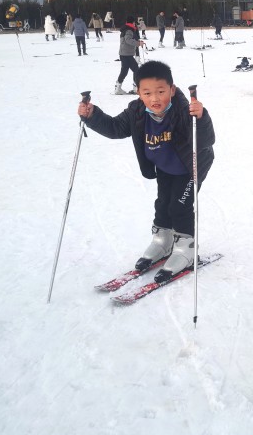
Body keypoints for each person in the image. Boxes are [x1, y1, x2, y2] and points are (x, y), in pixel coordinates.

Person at [78, 60, 216, 282]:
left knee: (179, 205)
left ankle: (185, 249)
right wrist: (92, 115)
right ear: (139, 93)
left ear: (171, 89)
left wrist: (200, 117)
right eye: (147, 92)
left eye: (161, 91)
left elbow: (207, 140)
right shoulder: (137, 111)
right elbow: (115, 128)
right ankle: (163, 241)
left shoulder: (184, 110)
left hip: (191, 166)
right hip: (164, 166)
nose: (155, 98)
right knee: (163, 203)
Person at [114, 16, 144, 94]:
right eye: (134, 23)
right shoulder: (129, 30)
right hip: (127, 54)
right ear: (133, 22)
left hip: (124, 53)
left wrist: (137, 41)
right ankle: (135, 87)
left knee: (124, 71)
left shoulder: (125, 29)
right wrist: (138, 43)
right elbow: (128, 40)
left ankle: (118, 87)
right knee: (136, 70)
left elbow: (128, 40)